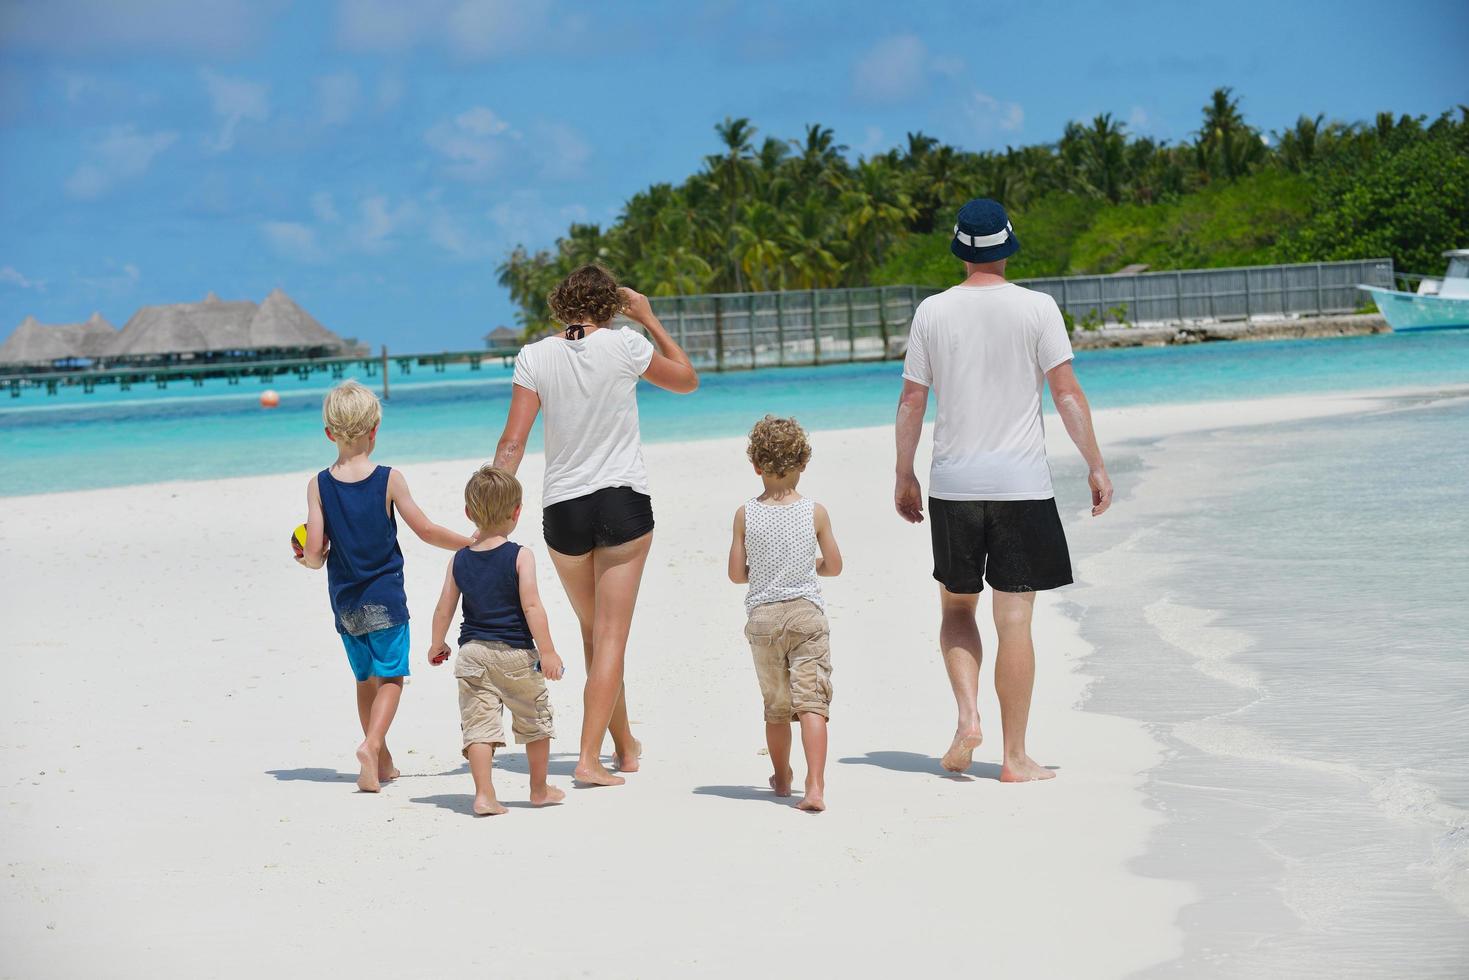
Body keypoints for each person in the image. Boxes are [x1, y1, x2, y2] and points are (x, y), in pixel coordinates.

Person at [893, 198, 1114, 783]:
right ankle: (1014, 758)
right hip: (1022, 487)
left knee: (957, 606)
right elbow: (1066, 393)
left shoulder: (931, 313)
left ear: (961, 250)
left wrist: (904, 473)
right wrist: (1095, 464)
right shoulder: (1038, 308)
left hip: (955, 486)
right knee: (1014, 620)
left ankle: (968, 717)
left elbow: (912, 400)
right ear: (1009, 247)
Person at [494, 264, 698, 787]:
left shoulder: (533, 355)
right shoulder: (626, 344)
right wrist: (650, 318)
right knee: (609, 638)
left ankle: (624, 745)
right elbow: (687, 381)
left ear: (562, 302)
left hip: (562, 510)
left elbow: (512, 442)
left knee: (595, 631)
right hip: (621, 502)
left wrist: (494, 510)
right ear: (610, 304)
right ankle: (588, 761)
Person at [295, 380, 474, 793]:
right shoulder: (389, 479)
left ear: (328, 433)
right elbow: (426, 530)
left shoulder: (318, 485)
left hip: (345, 602)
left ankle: (382, 762)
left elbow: (316, 552)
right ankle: (372, 744)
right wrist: (470, 541)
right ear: (375, 430)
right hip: (386, 599)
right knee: (391, 677)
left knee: (365, 680)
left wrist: (305, 558)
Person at [426, 465, 567, 815]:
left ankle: (485, 794)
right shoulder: (521, 555)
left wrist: (436, 642)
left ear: (469, 513)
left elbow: (445, 606)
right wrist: (547, 651)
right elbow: (532, 605)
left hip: (472, 654)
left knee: (479, 726)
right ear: (516, 512)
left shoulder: (458, 559)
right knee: (534, 720)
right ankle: (538, 789)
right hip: (516, 653)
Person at [728, 416, 842, 812]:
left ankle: (781, 778)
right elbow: (835, 565)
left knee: (776, 707)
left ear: (756, 465)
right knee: (811, 702)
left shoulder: (745, 514)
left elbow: (735, 574)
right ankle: (815, 785)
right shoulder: (815, 512)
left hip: (763, 619)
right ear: (803, 463)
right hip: (807, 616)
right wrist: (811, 567)